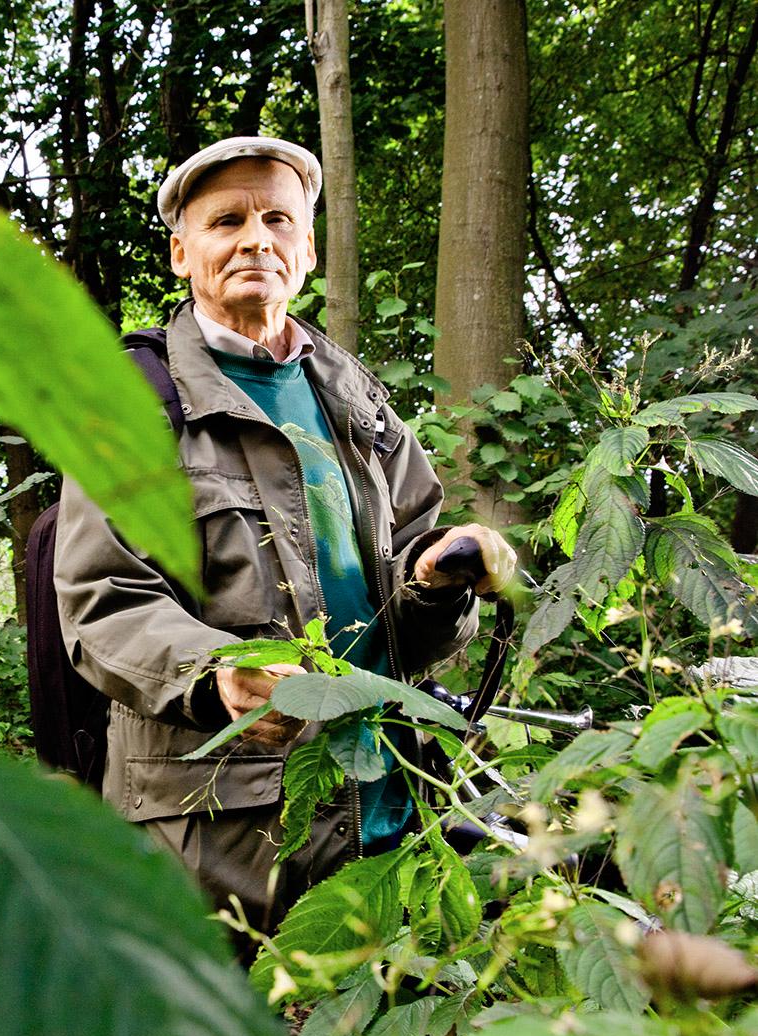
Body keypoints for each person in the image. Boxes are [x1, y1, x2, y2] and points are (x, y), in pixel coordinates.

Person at [52, 136, 515, 932]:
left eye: (277, 217)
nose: (254, 238)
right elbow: (103, 601)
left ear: (305, 246)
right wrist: (218, 676)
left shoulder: (355, 398)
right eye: (225, 219)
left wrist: (435, 580)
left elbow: (411, 574)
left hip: (388, 802)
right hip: (216, 837)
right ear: (179, 251)